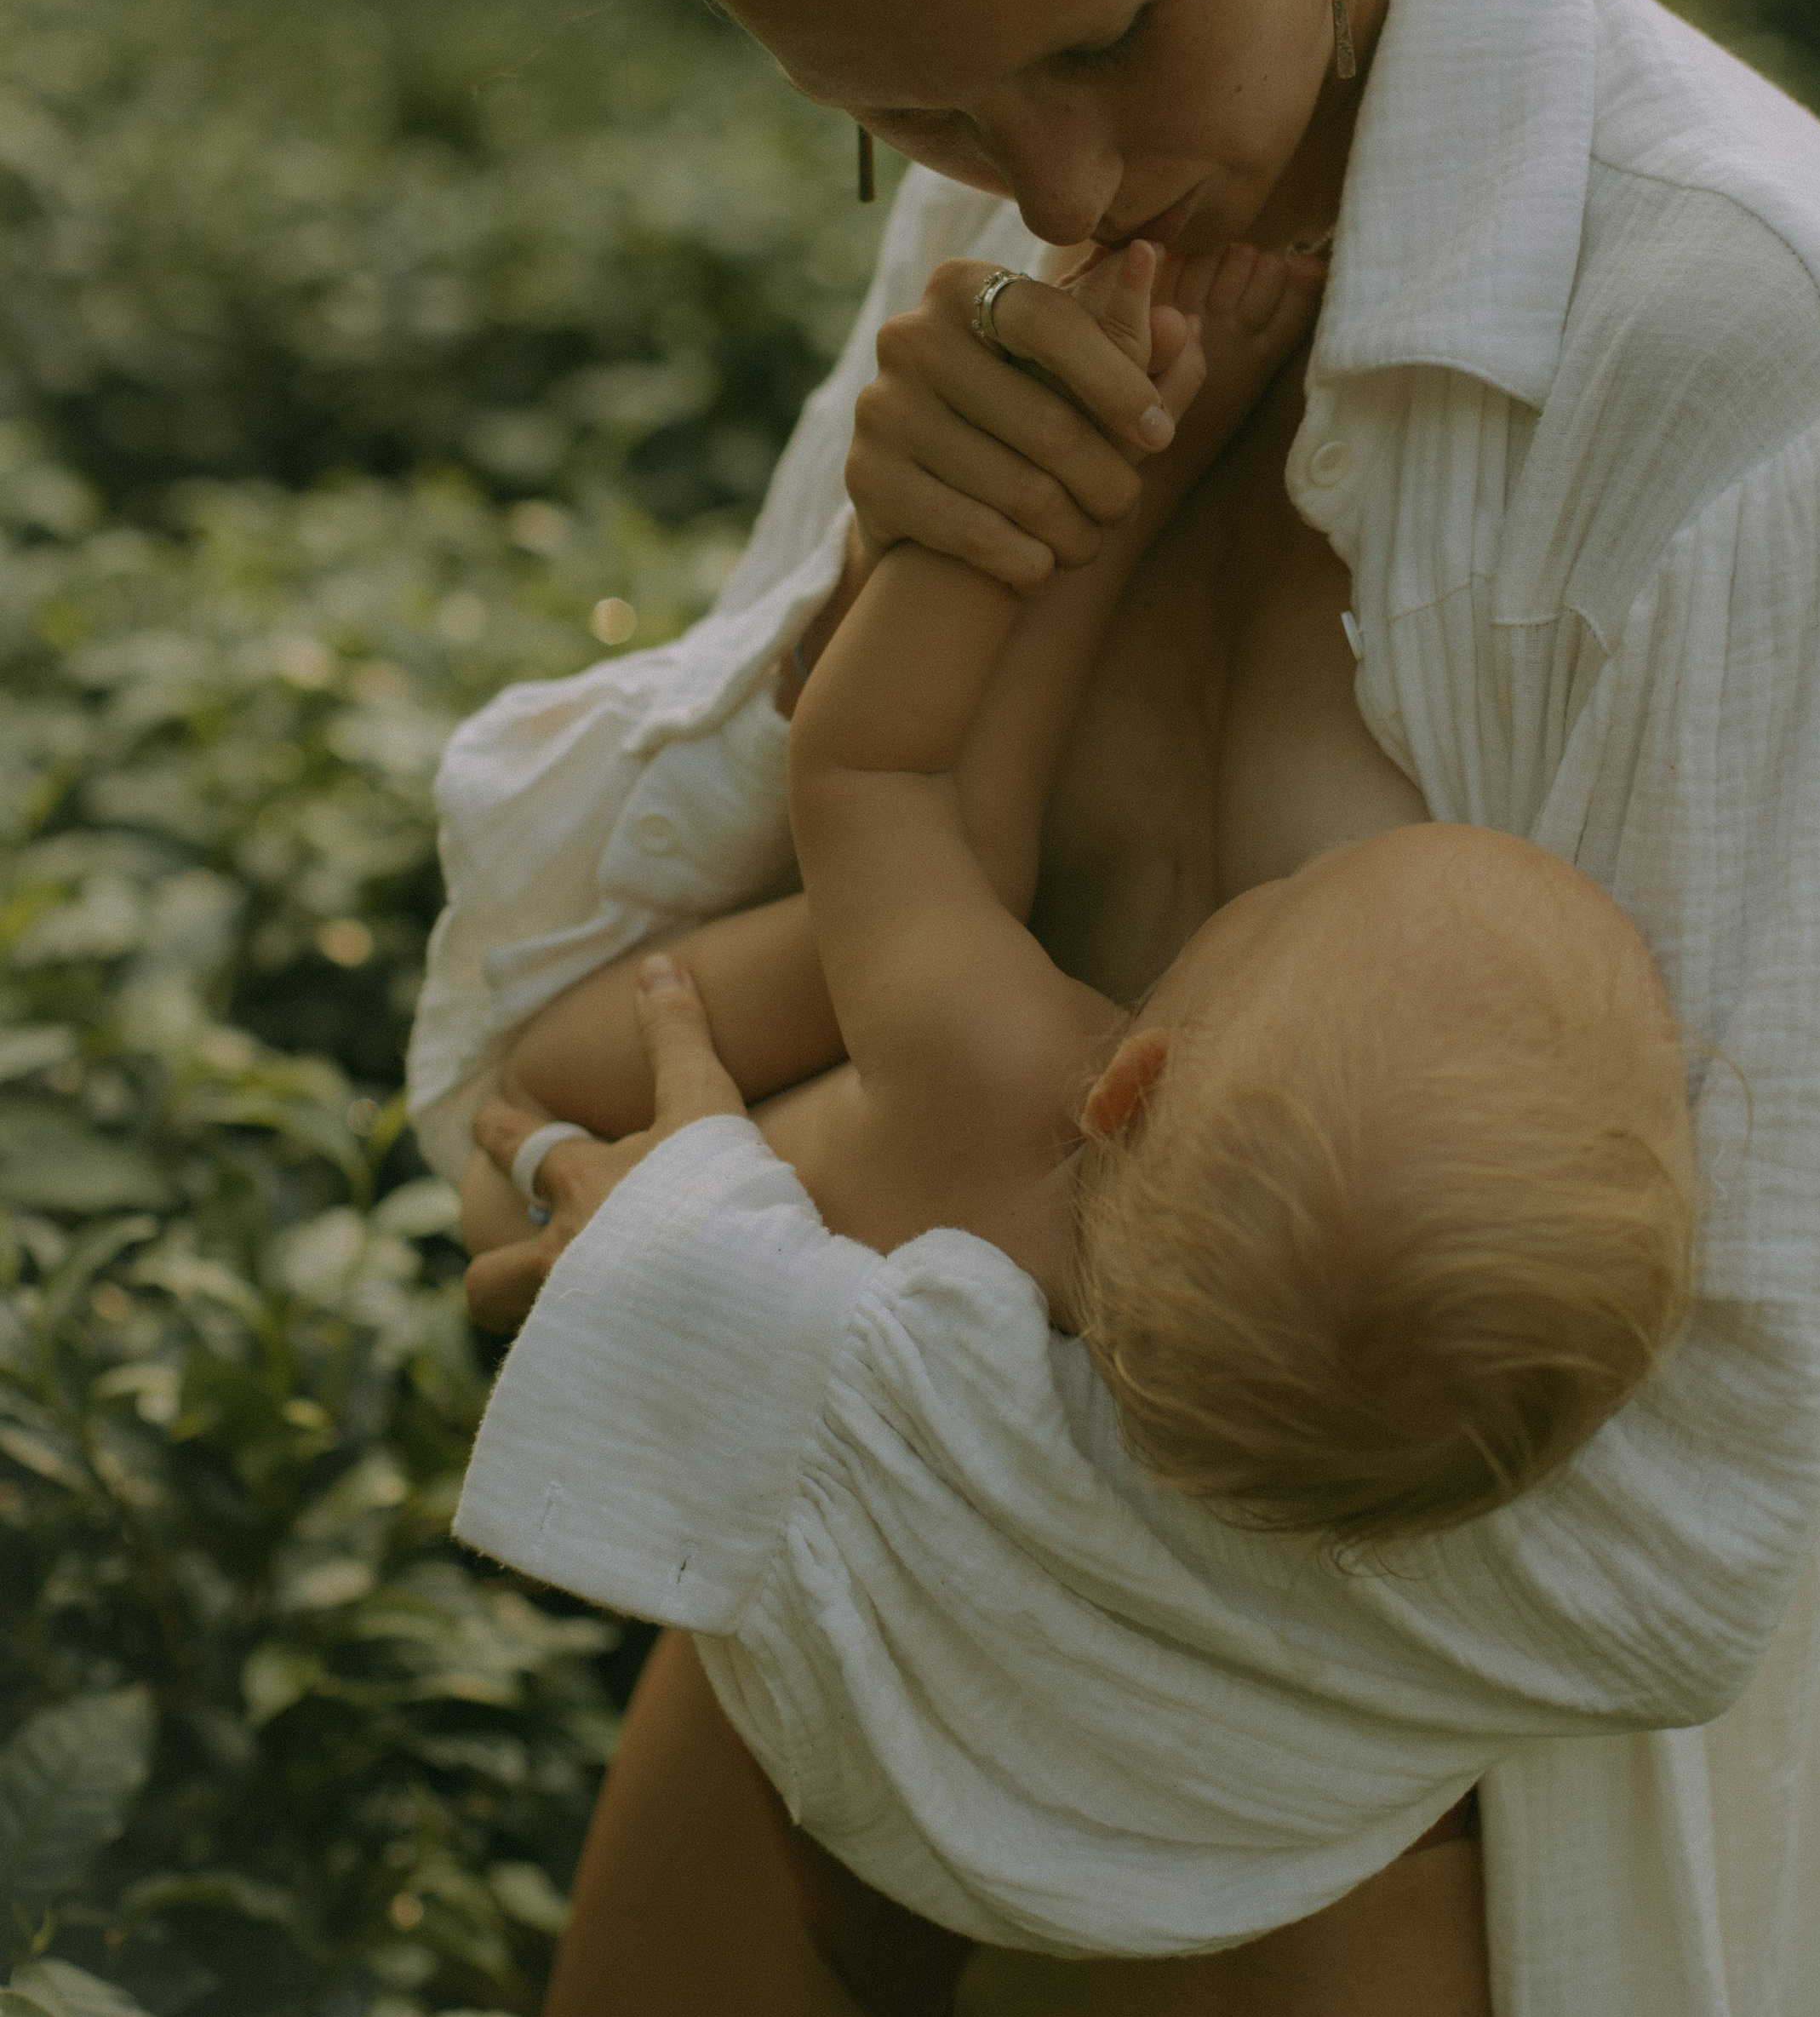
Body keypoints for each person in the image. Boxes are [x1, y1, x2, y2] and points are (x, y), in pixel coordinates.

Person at [411, 0, 1820, 2017]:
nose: (1059, 182)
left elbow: (1676, 1535)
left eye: (1109, 40)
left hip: (1309, 1867)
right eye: (889, 111)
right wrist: (886, 594)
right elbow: (535, 1065)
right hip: (799, 1725)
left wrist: (752, 1352)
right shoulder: (1014, 181)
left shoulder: (1730, 330)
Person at [465, 232, 1695, 1551]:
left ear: (1131, 1088)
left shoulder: (1010, 1085)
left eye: (1290, 903)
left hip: (567, 1122)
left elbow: (881, 774)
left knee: (945, 887)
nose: (1266, 886)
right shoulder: (1225, 1346)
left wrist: (1117, 464)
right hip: (686, 1374)